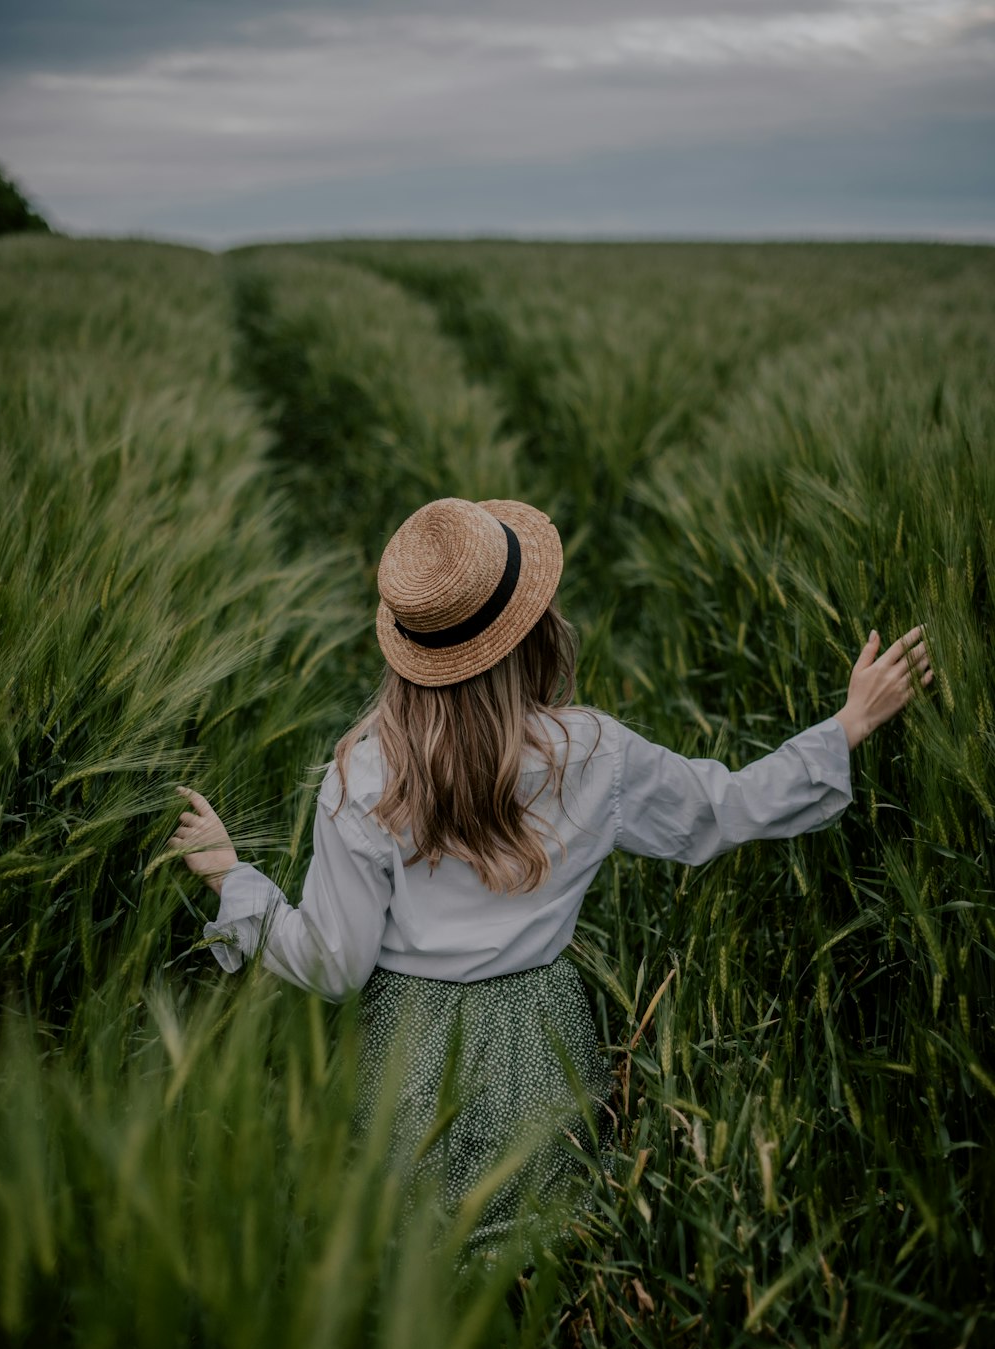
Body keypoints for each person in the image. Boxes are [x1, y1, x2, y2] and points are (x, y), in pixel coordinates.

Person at [170, 496, 932, 1249]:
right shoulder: (594, 752)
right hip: (542, 1044)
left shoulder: (362, 778)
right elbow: (725, 807)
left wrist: (234, 878)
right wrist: (846, 726)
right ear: (534, 631)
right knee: (550, 1244)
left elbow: (335, 966)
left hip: (407, 1062)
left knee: (414, 1247)